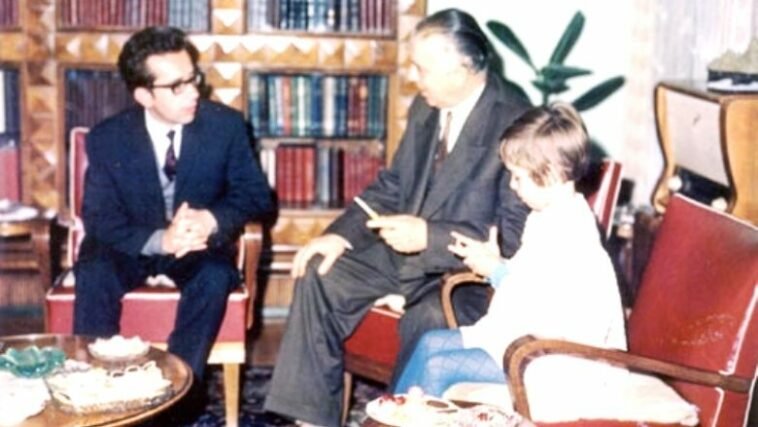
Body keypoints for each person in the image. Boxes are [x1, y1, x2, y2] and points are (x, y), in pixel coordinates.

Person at [264, 8, 531, 426]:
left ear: (461, 70)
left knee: (429, 319)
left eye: (422, 69)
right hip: (405, 257)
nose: (413, 77)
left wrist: (430, 236)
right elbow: (393, 185)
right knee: (321, 272)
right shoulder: (427, 107)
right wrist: (339, 235)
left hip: (464, 274)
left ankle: (396, 419)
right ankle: (312, 419)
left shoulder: (516, 121)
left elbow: (516, 234)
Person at [393, 103, 627, 415]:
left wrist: (497, 272)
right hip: (527, 340)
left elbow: (552, 314)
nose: (513, 187)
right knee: (429, 343)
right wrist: (496, 264)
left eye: (518, 177)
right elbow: (532, 282)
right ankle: (391, 416)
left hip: (559, 361)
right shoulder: (547, 216)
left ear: (551, 173)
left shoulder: (573, 232)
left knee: (438, 367)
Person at [73, 26, 273, 381]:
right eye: (177, 86)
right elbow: (99, 217)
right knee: (94, 271)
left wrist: (211, 219)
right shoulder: (107, 137)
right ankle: (97, 386)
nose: (193, 92)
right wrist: (160, 240)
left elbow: (256, 195)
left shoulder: (225, 126)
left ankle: (177, 386)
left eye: (193, 79)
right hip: (132, 244)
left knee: (214, 276)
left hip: (198, 246)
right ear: (144, 95)